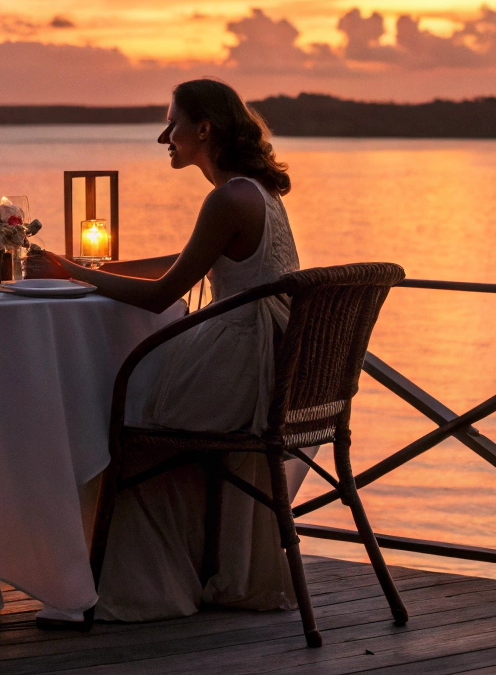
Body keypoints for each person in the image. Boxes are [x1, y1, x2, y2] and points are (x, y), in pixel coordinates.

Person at [27, 77, 305, 621]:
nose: (163, 137)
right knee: (130, 401)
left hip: (239, 371)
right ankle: (184, 570)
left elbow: (160, 296)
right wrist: (92, 267)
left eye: (172, 122)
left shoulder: (228, 198)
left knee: (106, 425)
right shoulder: (255, 192)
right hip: (266, 368)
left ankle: (142, 588)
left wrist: (70, 273)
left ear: (203, 128)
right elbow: (186, 261)